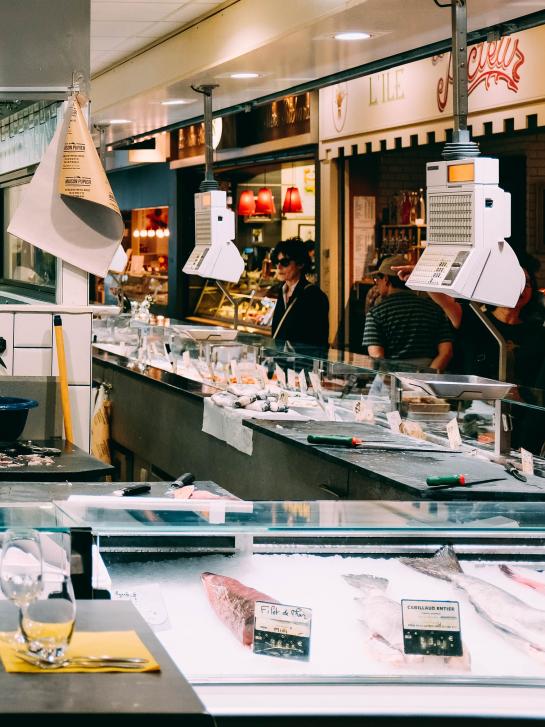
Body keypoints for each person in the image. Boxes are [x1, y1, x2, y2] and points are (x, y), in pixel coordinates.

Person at [362, 255, 454, 371]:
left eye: (377, 279)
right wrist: (427, 375)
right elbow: (446, 352)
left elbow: (377, 357)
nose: (376, 283)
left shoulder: (376, 314)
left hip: (392, 377)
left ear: (385, 279)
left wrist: (395, 379)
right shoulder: (435, 309)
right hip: (426, 377)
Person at [270, 237, 329, 350]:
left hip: (302, 359)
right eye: (277, 262)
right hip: (281, 358)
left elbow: (316, 340)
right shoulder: (282, 291)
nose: (279, 267)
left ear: (300, 264)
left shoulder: (314, 296)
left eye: (285, 262)